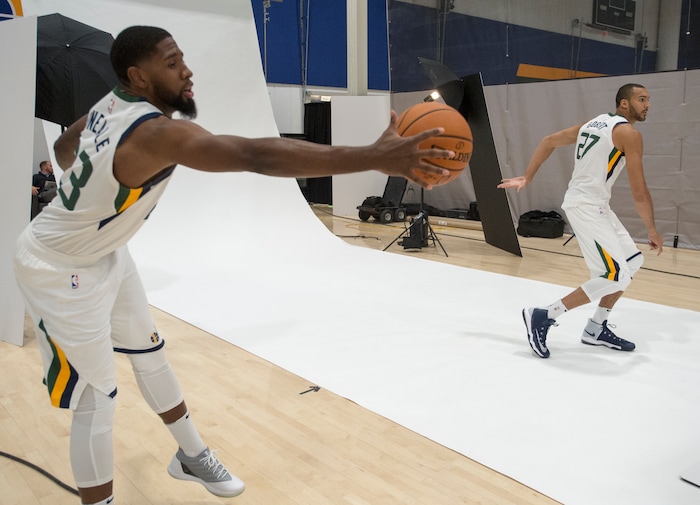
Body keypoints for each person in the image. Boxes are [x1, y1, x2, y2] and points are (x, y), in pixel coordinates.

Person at [13, 26, 453, 505]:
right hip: (59, 266)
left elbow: (64, 148)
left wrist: (88, 177)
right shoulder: (156, 133)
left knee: (149, 352)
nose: (187, 70)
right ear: (139, 76)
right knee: (96, 399)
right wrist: (372, 156)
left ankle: (191, 456)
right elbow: (253, 155)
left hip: (105, 251)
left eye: (182, 57)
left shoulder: (111, 103)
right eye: (172, 62)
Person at [498, 83, 664, 359]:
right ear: (624, 103)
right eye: (641, 99)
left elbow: (548, 140)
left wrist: (528, 176)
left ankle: (596, 328)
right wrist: (652, 229)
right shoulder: (628, 133)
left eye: (649, 99)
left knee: (632, 261)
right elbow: (639, 191)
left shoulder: (595, 123)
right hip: (585, 206)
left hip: (595, 204)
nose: (647, 104)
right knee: (613, 275)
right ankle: (543, 315)